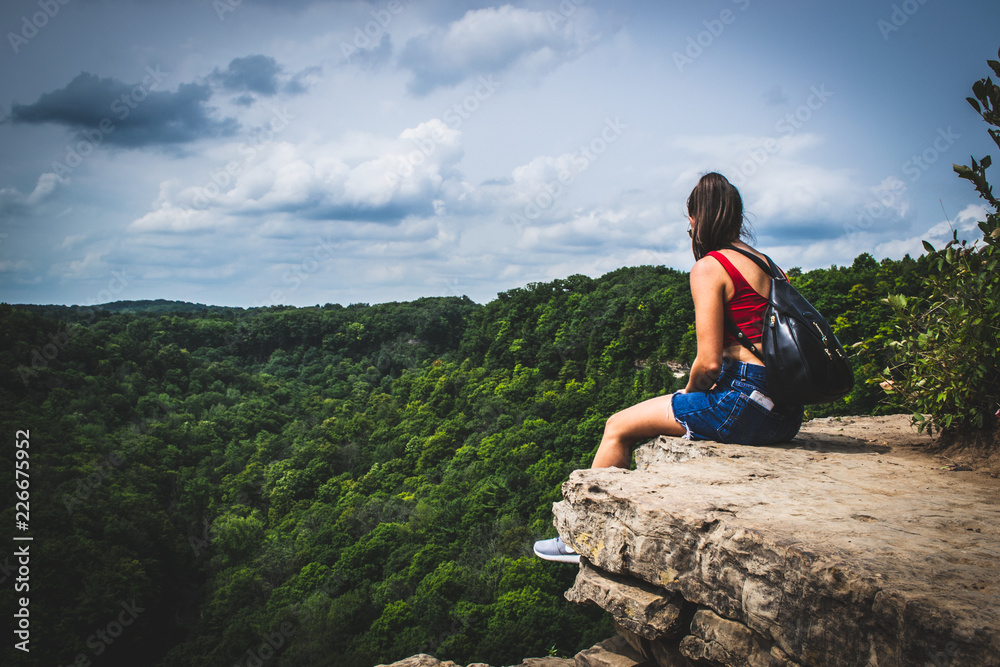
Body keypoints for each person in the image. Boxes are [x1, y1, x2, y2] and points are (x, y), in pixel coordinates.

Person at [534, 172, 804, 563]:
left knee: (617, 427)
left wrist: (692, 396)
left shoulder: (711, 267)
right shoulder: (768, 264)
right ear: (737, 217)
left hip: (744, 401)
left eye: (689, 220)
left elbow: (709, 363)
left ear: (697, 220)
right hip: (786, 411)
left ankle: (580, 537)